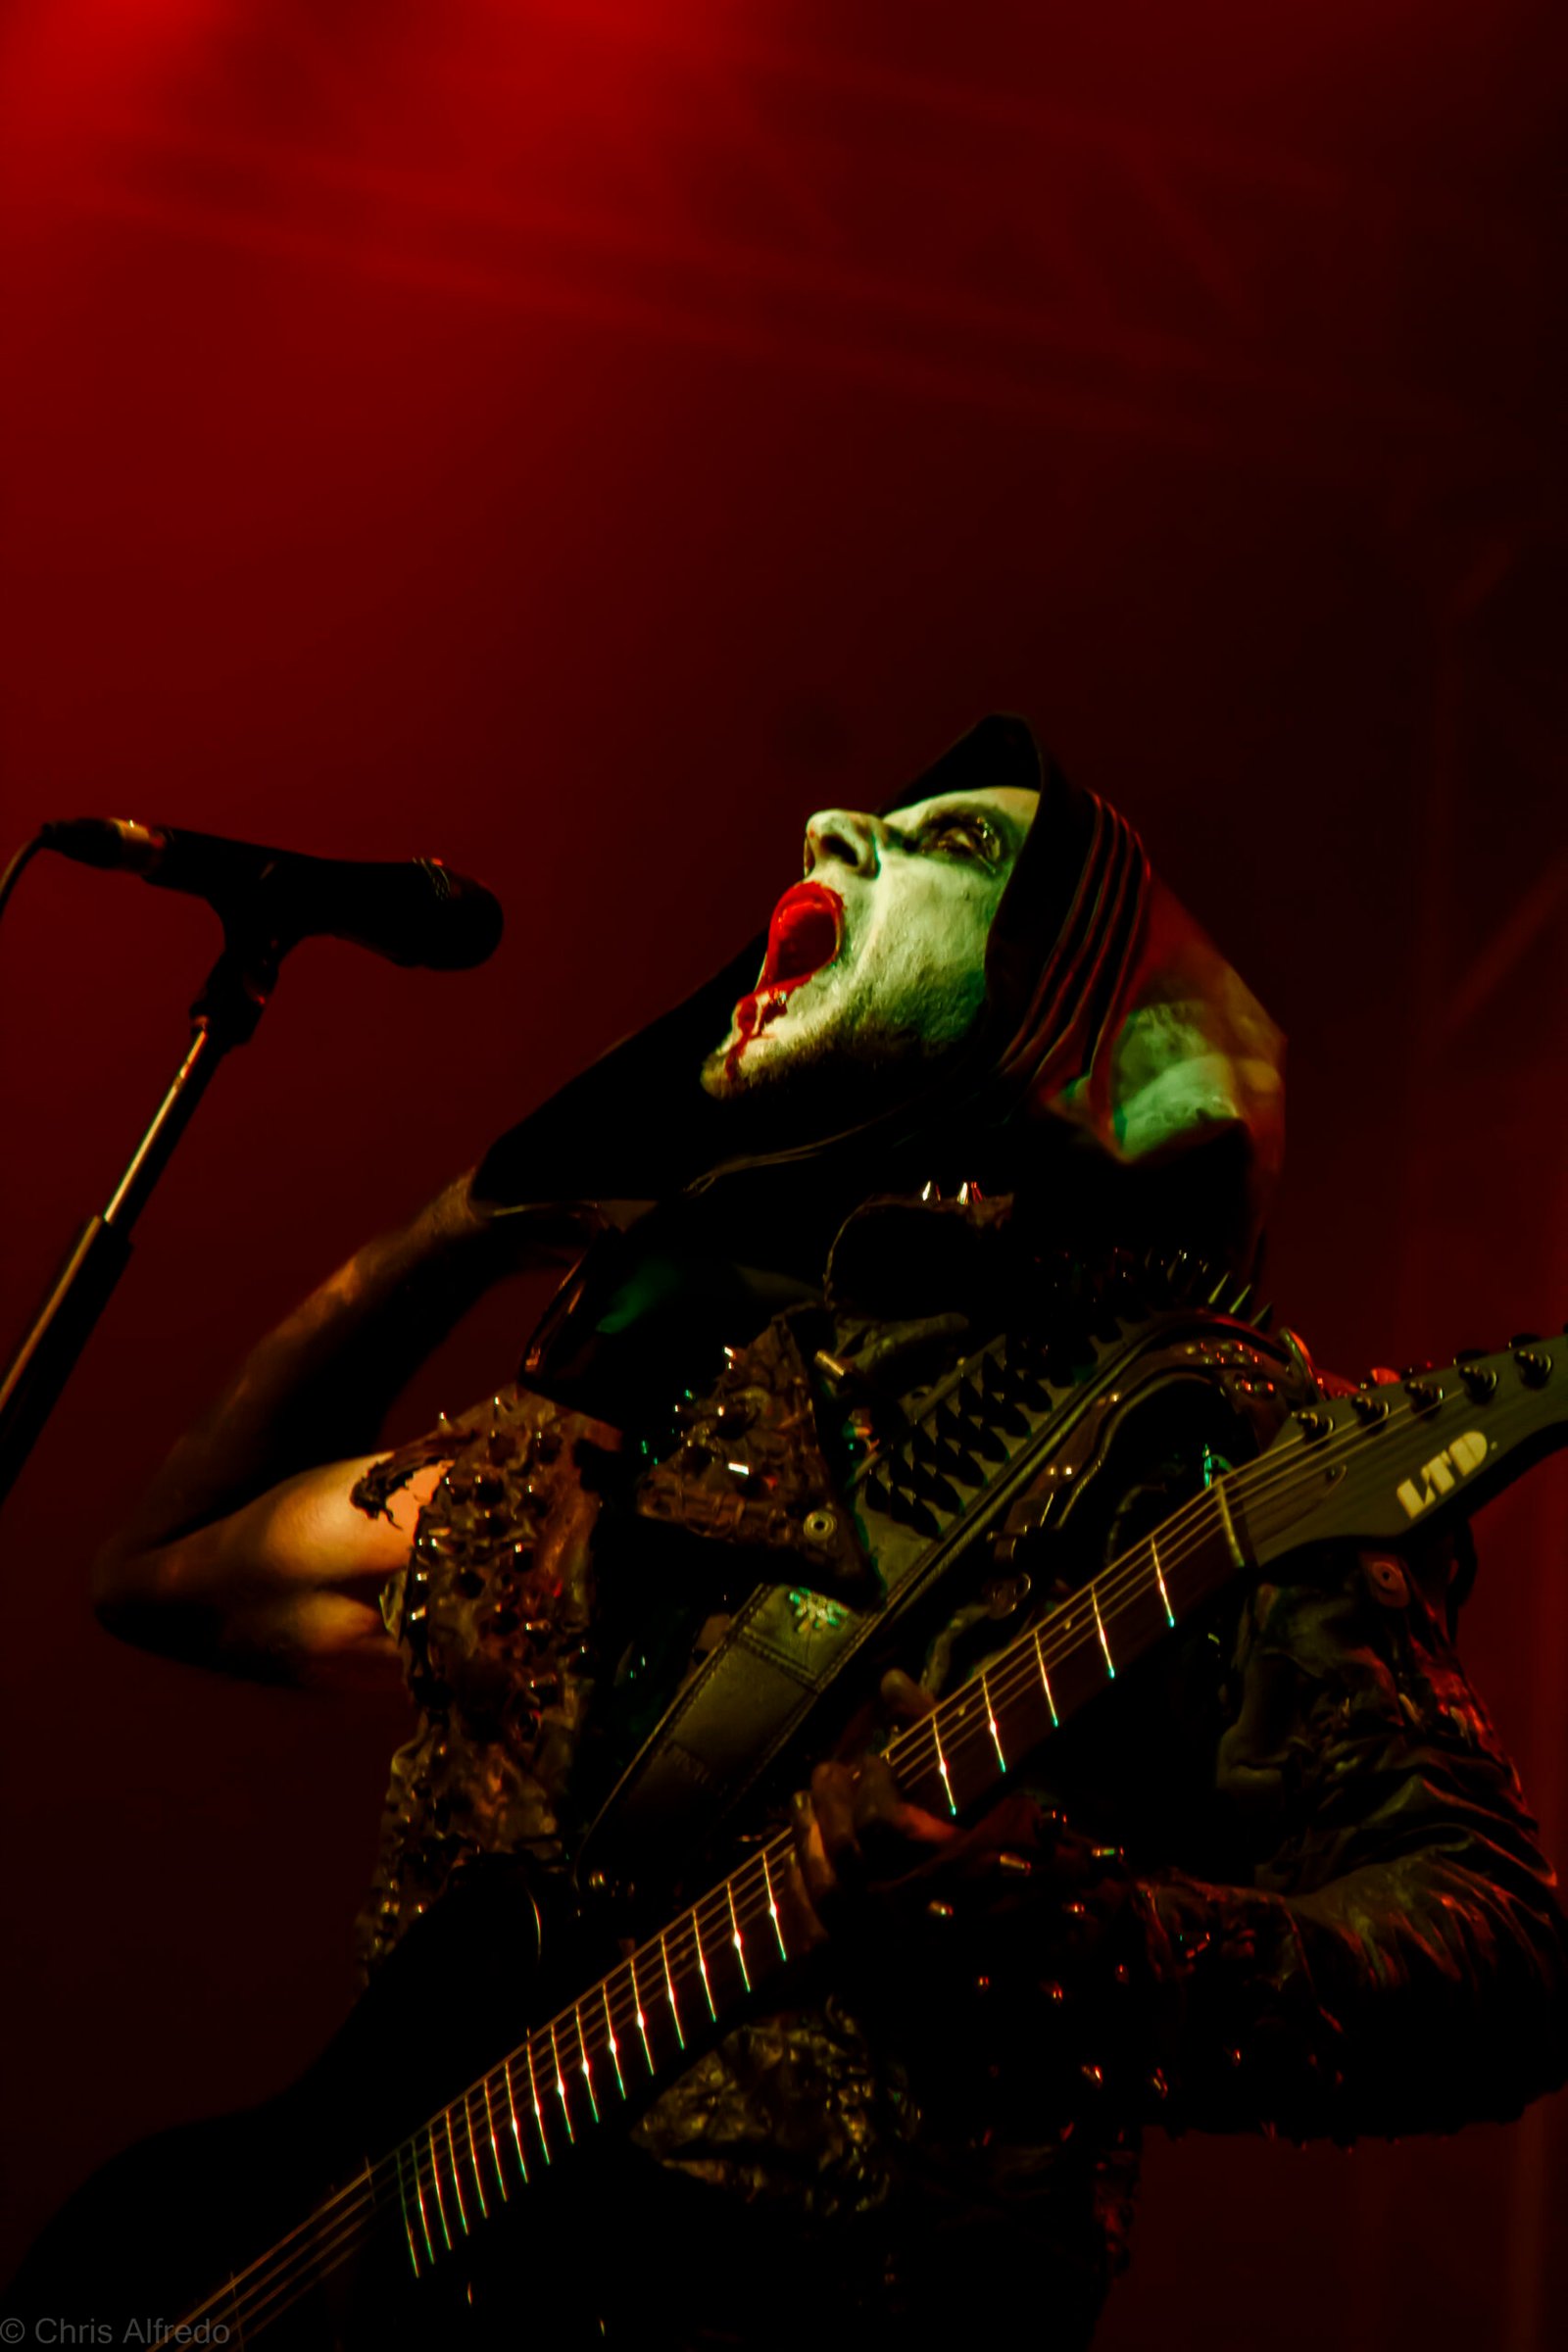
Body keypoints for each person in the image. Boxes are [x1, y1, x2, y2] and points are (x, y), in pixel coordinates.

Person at [86, 718, 1568, 2347]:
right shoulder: (617, 1436)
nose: (833, 828)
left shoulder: (1180, 1438)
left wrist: (1079, 1941)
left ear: (1064, 1013)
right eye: (868, 818)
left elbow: (1498, 1956)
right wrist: (459, 1228)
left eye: (957, 844)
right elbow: (164, 1569)